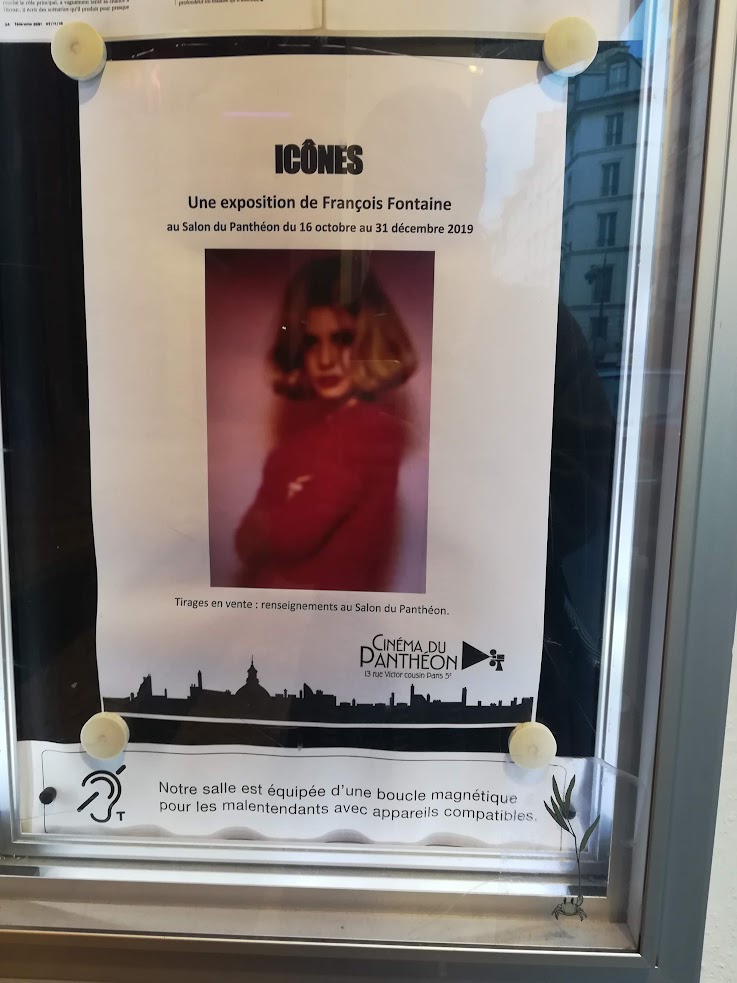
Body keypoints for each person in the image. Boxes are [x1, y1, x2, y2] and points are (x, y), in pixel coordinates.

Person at [233, 254, 417, 592]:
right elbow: (243, 542)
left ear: (372, 340)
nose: (326, 359)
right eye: (310, 342)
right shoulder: (303, 442)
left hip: (328, 613)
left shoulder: (373, 430)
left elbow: (291, 537)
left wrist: (270, 521)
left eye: (343, 339)